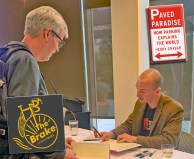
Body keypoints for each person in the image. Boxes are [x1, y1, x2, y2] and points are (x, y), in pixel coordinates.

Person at [0, 6, 79, 159]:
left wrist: (56, 142)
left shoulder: (8, 55)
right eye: (59, 41)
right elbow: (25, 123)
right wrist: (59, 153)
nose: (57, 49)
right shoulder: (25, 60)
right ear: (48, 33)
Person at [99, 69, 184, 149]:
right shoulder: (140, 103)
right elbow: (129, 125)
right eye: (137, 88)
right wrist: (112, 133)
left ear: (157, 91)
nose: (137, 94)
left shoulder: (174, 109)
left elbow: (168, 140)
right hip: (137, 152)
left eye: (142, 91)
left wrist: (136, 139)